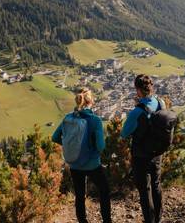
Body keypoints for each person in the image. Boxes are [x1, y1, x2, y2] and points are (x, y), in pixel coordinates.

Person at [53, 88, 112, 223]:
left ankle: (82, 221)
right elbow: (101, 146)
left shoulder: (68, 118)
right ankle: (107, 220)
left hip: (74, 163)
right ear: (91, 101)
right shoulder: (95, 120)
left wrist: (72, 145)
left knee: (79, 195)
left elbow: (55, 137)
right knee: (104, 190)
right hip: (92, 164)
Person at [121, 74, 165, 223]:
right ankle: (158, 218)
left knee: (145, 191)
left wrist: (136, 108)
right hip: (157, 153)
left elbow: (124, 133)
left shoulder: (137, 112)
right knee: (156, 184)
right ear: (151, 87)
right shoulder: (161, 102)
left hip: (141, 156)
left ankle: (149, 220)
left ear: (138, 90)